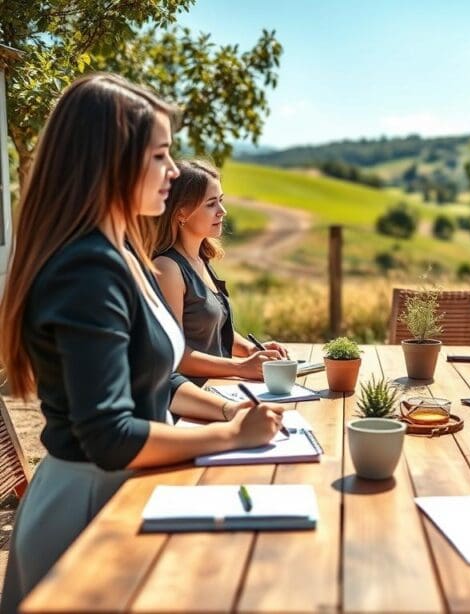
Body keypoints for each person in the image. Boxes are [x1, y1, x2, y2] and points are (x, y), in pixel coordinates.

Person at [0, 74, 285, 612]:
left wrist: (231, 411)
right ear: (111, 163)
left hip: (128, 492)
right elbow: (110, 434)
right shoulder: (87, 270)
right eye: (160, 156)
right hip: (89, 511)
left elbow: (161, 379)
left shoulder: (122, 256)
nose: (174, 172)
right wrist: (228, 436)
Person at [149, 159, 287, 387]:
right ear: (181, 212)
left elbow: (216, 333)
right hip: (191, 401)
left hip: (220, 389)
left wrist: (253, 350)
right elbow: (175, 354)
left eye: (220, 201)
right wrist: (243, 367)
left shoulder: (200, 260)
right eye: (211, 204)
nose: (222, 211)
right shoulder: (168, 268)